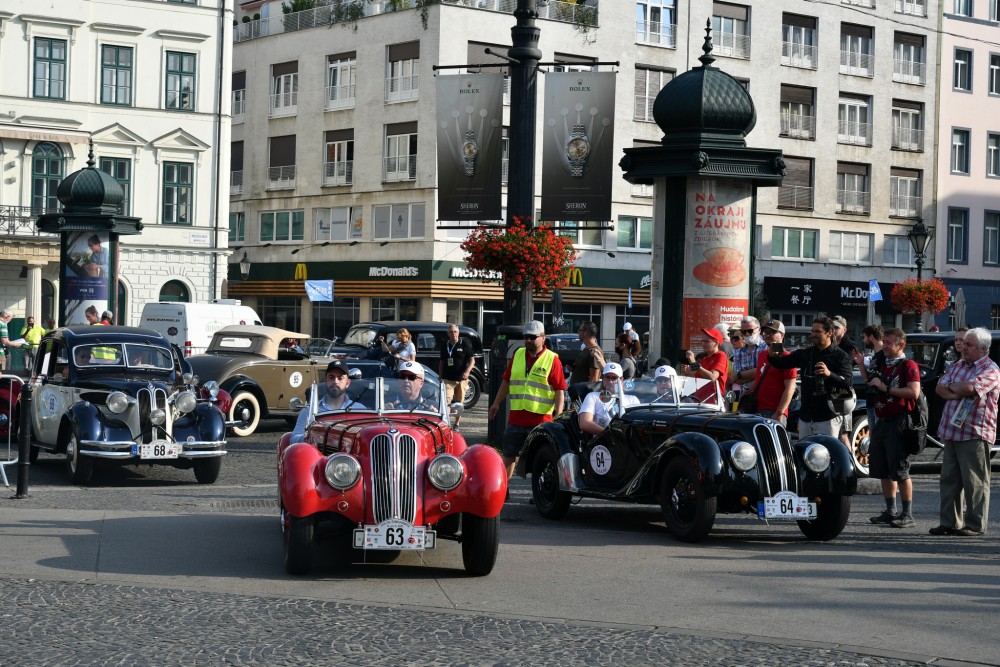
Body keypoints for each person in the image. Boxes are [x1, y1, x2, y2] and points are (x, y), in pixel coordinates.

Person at [930, 328, 1000, 537]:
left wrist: (953, 388)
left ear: (982, 348)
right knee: (949, 480)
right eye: (963, 343)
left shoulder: (991, 369)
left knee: (975, 482)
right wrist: (954, 389)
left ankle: (975, 524)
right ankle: (949, 523)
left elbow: (970, 388)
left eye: (968, 344)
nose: (962, 347)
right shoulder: (958, 365)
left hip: (974, 432)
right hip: (952, 431)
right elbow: (939, 388)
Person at [488, 320, 567, 486]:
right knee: (509, 454)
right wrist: (496, 403)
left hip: (541, 421)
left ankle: (541, 492)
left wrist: (558, 416)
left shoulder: (552, 359)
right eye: (525, 337)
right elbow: (507, 381)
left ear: (543, 338)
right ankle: (502, 489)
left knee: (541, 459)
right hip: (516, 417)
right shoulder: (517, 354)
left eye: (532, 337)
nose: (528, 340)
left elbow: (560, 390)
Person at [865, 328, 922, 529]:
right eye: (885, 342)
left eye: (889, 343)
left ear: (901, 345)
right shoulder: (883, 364)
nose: (886, 346)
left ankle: (907, 514)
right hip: (882, 421)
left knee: (900, 469)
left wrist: (886, 388)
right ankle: (890, 511)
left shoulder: (908, 365)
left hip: (899, 422)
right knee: (883, 470)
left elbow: (913, 393)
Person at [768, 317, 854, 438]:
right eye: (812, 331)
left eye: (817, 332)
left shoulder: (841, 356)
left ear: (829, 333)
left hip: (827, 416)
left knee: (826, 453)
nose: (813, 334)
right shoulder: (806, 353)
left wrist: (829, 374)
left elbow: (848, 383)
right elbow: (781, 363)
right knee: (805, 452)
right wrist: (772, 356)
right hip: (806, 416)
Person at [290, 360, 363, 442]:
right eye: (331, 377)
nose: (335, 381)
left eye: (340, 378)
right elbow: (294, 439)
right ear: (325, 380)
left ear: (347, 383)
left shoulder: (360, 410)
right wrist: (312, 436)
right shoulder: (309, 411)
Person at [752, 320, 797, 425]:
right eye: (765, 333)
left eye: (772, 332)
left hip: (774, 411)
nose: (767, 335)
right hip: (757, 409)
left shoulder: (787, 357)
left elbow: (790, 388)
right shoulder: (762, 354)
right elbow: (759, 378)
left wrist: (780, 412)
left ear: (782, 335)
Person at [578, 362, 640, 435]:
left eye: (614, 378)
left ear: (621, 379)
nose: (610, 381)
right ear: (603, 379)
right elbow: (584, 423)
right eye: (607, 377)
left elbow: (638, 423)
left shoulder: (632, 399)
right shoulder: (593, 396)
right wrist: (610, 435)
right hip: (602, 441)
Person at [678, 327, 729, 403]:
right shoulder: (704, 359)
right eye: (702, 341)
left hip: (713, 402)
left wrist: (694, 364)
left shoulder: (721, 356)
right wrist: (688, 373)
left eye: (707, 341)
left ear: (716, 343)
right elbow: (698, 379)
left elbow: (712, 377)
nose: (703, 344)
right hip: (699, 400)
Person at [438, 324, 474, 424]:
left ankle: (457, 423)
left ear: (458, 333)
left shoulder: (464, 344)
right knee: (447, 400)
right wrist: (440, 377)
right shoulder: (445, 345)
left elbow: (472, 360)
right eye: (451, 332)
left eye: (455, 332)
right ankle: (446, 422)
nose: (453, 334)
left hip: (461, 379)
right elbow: (442, 361)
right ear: (448, 333)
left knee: (459, 403)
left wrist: (467, 372)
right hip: (448, 379)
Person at [853, 324, 885, 429]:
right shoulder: (875, 356)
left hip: (880, 403)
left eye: (864, 337)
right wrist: (861, 364)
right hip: (871, 402)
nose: (863, 340)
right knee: (874, 437)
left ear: (871, 337)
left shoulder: (885, 355)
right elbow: (867, 380)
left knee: (878, 436)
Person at [731, 316, 768, 394]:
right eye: (744, 332)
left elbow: (765, 373)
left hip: (762, 394)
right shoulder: (738, 352)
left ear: (759, 330)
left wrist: (740, 374)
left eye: (750, 331)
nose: (747, 334)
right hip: (743, 398)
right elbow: (735, 378)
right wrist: (754, 375)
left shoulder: (766, 348)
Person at [569, 321, 604, 385]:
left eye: (580, 330)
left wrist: (584, 392)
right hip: (576, 391)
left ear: (585, 333)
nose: (578, 332)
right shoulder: (586, 349)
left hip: (583, 393)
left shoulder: (595, 352)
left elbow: (594, 379)